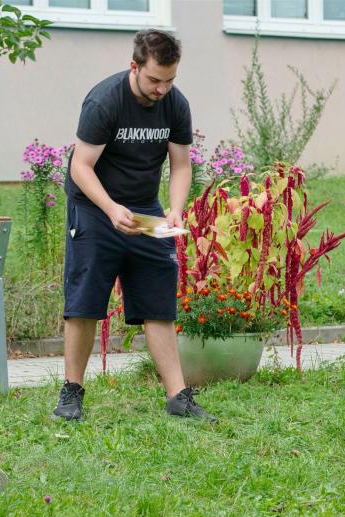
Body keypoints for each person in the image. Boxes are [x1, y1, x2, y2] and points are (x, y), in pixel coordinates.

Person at [54, 29, 214, 422]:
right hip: (95, 207)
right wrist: (111, 209)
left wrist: (175, 210)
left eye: (170, 80)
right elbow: (80, 166)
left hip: (145, 210)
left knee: (158, 300)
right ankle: (71, 393)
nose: (162, 89)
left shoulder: (175, 104)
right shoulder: (105, 101)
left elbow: (181, 165)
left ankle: (178, 397)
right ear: (135, 66)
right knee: (84, 303)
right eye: (155, 79)